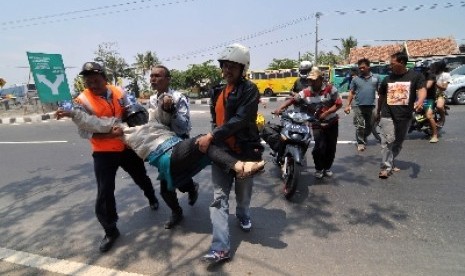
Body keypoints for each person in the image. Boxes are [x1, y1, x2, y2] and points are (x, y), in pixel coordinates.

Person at [55, 107, 265, 190]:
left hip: (176, 150)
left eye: (138, 112)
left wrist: (167, 102)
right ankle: (239, 167)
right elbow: (93, 123)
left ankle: (236, 169)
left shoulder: (152, 118)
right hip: (166, 155)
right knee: (204, 139)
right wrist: (72, 113)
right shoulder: (123, 129)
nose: (137, 116)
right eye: (132, 114)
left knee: (211, 142)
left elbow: (163, 110)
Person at [72, 62, 159, 253]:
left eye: (95, 80)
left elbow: (133, 112)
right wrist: (108, 135)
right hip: (104, 151)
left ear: (104, 78)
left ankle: (152, 197)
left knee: (141, 177)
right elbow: (84, 132)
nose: (92, 84)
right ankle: (110, 230)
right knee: (105, 192)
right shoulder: (81, 101)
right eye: (88, 81)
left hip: (127, 145)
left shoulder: (119, 91)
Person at [195, 43, 263, 263]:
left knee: (243, 196)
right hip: (222, 153)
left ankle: (243, 214)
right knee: (218, 199)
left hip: (244, 153)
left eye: (234, 66)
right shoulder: (217, 91)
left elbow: (241, 120)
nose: (228, 70)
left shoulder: (250, 90)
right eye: (225, 65)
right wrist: (213, 135)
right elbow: (216, 120)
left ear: (243, 69)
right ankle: (220, 248)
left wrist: (212, 136)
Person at [147, 65, 198, 229]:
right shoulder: (152, 99)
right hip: (161, 145)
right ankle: (177, 212)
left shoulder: (178, 97)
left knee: (179, 181)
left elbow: (184, 127)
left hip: (179, 143)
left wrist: (172, 110)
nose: (153, 79)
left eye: (157, 76)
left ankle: (191, 188)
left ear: (168, 80)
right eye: (151, 76)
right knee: (166, 188)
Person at [274, 67, 342, 179]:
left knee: (331, 147)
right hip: (316, 123)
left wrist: (327, 113)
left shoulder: (330, 89)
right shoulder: (306, 92)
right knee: (318, 147)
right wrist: (280, 108)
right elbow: (292, 100)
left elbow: (338, 104)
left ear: (321, 79)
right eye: (310, 80)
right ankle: (319, 168)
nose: (312, 82)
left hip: (332, 122)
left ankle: (327, 167)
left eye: (314, 80)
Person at [376, 52, 426, 179]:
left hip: (405, 116)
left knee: (398, 143)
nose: (390, 66)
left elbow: (422, 90)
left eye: (392, 63)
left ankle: (390, 161)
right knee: (388, 141)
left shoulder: (415, 76)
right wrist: (378, 112)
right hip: (387, 114)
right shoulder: (387, 79)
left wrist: (420, 101)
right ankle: (385, 168)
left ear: (402, 63)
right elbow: (381, 96)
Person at [344, 58, 379, 152]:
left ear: (368, 67)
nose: (361, 69)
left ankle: (363, 136)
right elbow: (351, 93)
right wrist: (347, 105)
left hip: (371, 106)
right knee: (360, 125)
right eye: (360, 68)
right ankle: (360, 142)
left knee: (369, 126)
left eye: (363, 67)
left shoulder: (375, 78)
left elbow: (380, 92)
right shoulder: (355, 79)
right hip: (358, 105)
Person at [413, 61, 439, 143]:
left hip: (429, 99)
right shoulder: (417, 76)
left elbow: (427, 86)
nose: (418, 71)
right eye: (417, 69)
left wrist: (417, 88)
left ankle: (435, 135)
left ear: (426, 69)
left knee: (429, 116)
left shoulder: (431, 76)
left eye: (420, 69)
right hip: (419, 97)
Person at [431, 60, 451, 129]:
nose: (434, 68)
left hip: (441, 94)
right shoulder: (431, 74)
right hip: (430, 94)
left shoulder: (445, 75)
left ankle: (442, 118)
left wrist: (435, 83)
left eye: (436, 66)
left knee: (439, 106)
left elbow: (444, 88)